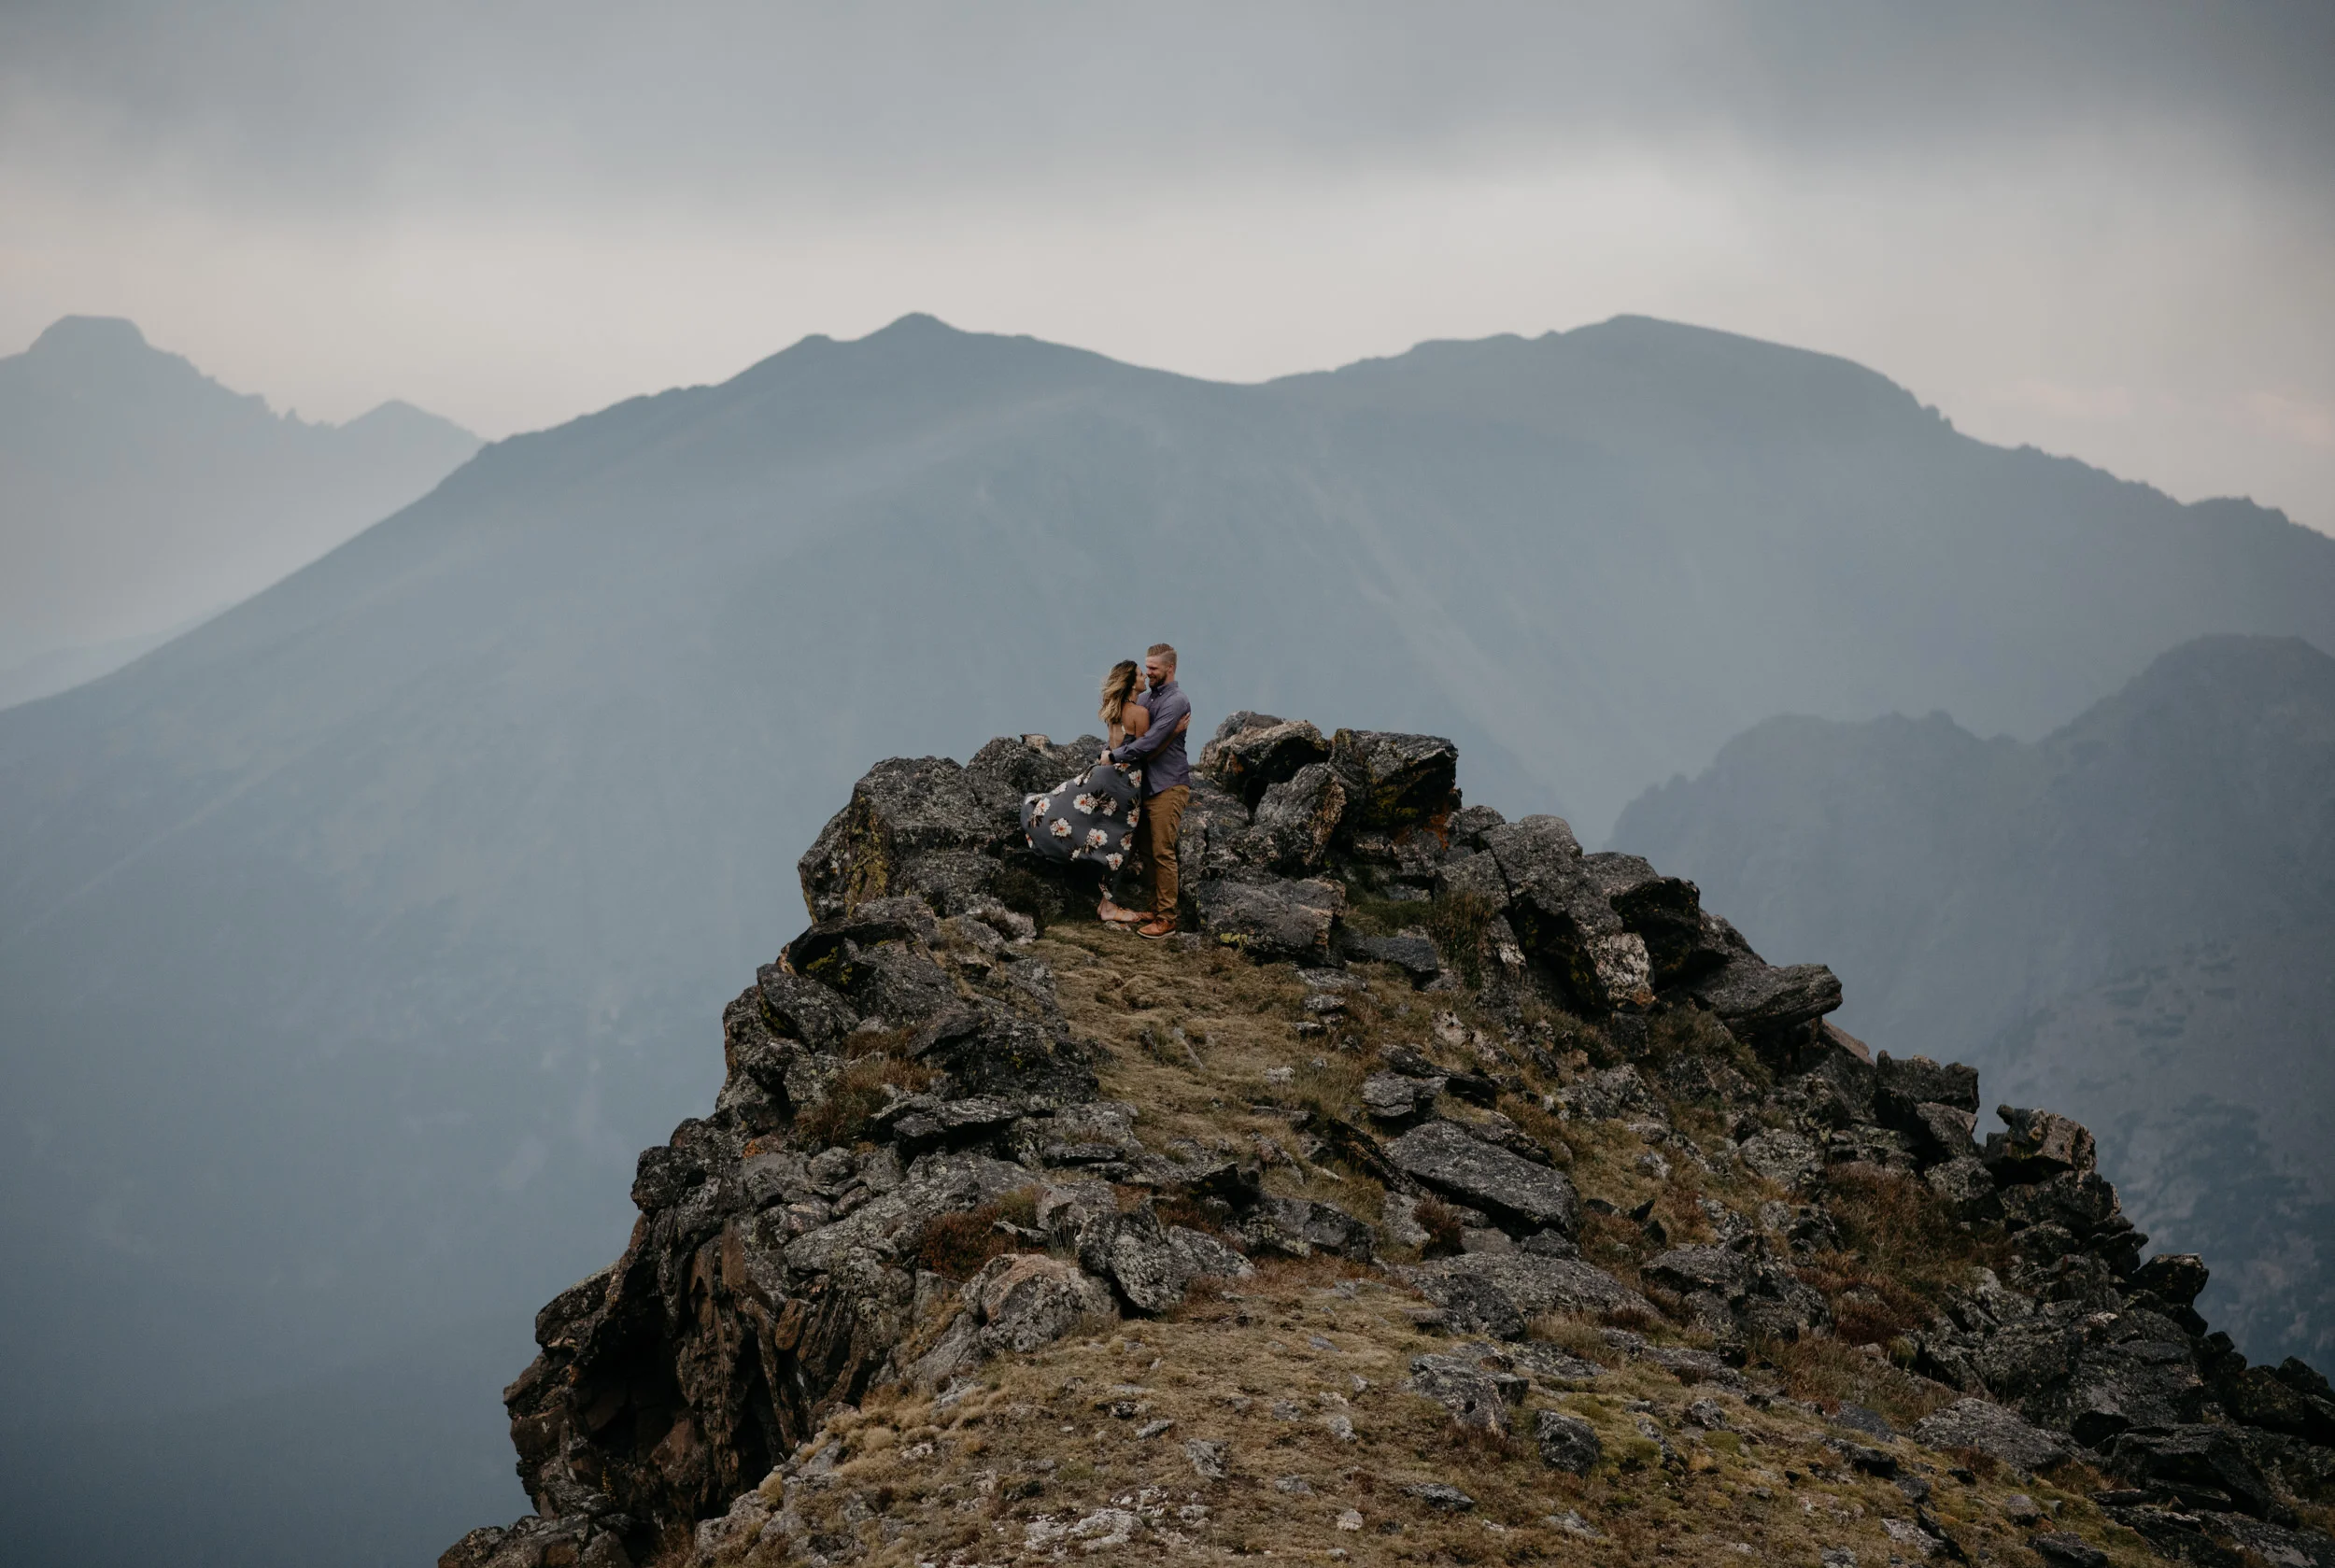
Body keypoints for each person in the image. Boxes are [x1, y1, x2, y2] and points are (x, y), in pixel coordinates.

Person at [1104, 643, 1191, 939]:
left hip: (1169, 784)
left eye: (1153, 668)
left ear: (1170, 668)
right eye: (1146, 667)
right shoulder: (1149, 700)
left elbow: (1150, 743)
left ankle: (1167, 919)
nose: (1149, 672)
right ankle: (1155, 908)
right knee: (1145, 849)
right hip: (1145, 787)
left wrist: (1114, 757)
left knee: (1163, 851)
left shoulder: (1176, 701)